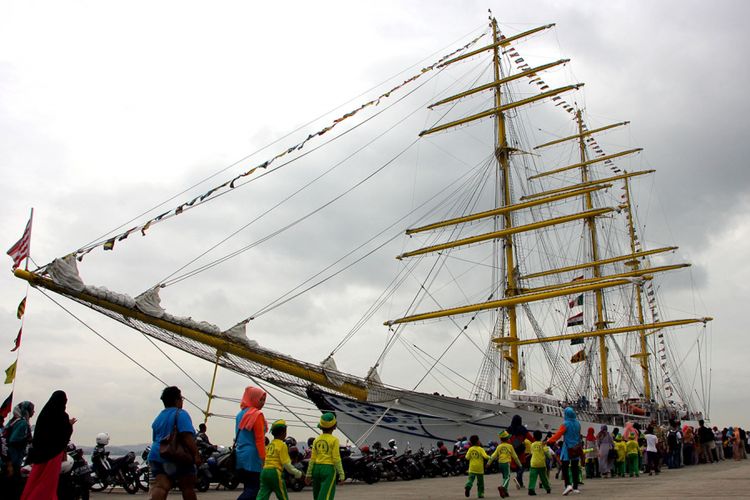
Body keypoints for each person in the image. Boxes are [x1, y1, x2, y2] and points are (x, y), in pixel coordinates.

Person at [20, 391, 75, 500]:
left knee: (35, 478)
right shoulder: (62, 416)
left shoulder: (44, 414)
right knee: (48, 481)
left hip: (39, 454)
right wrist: (69, 425)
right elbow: (63, 435)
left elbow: (38, 434)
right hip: (54, 454)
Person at [148, 386, 199, 500]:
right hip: (176, 456)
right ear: (177, 400)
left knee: (161, 486)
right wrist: (196, 455)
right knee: (187, 486)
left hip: (156, 456)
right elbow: (187, 436)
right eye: (181, 398)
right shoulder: (180, 413)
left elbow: (155, 439)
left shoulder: (159, 417)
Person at [257, 420, 302, 500]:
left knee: (262, 496)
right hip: (275, 473)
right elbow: (286, 464)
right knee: (283, 496)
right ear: (283, 432)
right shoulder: (282, 445)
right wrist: (298, 473)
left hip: (264, 472)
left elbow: (263, 459)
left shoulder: (270, 445)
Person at [236, 386, 267, 500]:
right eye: (261, 399)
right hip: (253, 457)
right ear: (253, 398)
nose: (263, 403)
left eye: (264, 400)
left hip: (240, 455)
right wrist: (263, 459)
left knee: (248, 487)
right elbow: (260, 439)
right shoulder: (257, 415)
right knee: (254, 489)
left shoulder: (240, 414)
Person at [305, 412, 345, 500]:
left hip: (316, 469)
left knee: (317, 495)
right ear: (334, 426)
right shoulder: (334, 440)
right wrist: (341, 474)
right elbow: (336, 458)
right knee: (326, 496)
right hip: (328, 470)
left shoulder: (316, 440)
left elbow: (312, 459)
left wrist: (308, 474)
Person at [546, 407, 582, 496]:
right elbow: (578, 435)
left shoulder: (565, 424)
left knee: (565, 467)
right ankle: (576, 487)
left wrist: (549, 440)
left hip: (567, 448)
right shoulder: (578, 423)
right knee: (575, 467)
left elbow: (558, 435)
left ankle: (568, 485)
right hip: (576, 447)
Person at [4, 400, 34, 499]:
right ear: (27, 410)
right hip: (12, 462)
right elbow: (13, 441)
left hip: (7, 460)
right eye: (32, 410)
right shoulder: (22, 424)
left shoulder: (13, 421)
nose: (33, 412)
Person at [487, 431, 522, 498]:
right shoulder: (510, 446)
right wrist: (520, 465)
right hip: (506, 463)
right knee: (508, 477)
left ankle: (505, 492)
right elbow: (515, 457)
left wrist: (488, 463)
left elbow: (493, 455)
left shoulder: (499, 447)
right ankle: (502, 487)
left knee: (504, 477)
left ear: (500, 439)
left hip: (500, 464)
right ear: (507, 439)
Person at [506, 415, 533, 489]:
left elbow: (502, 436)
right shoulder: (522, 429)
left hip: (512, 450)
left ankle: (520, 483)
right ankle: (518, 478)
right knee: (522, 466)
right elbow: (530, 438)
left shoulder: (509, 429)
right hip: (520, 450)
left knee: (516, 467)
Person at [527, 430, 551, 496]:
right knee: (543, 477)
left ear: (534, 437)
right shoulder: (543, 444)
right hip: (541, 464)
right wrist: (550, 457)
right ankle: (547, 488)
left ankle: (531, 489)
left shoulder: (532, 444)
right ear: (541, 437)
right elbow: (547, 453)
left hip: (533, 463)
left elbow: (532, 452)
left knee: (532, 477)